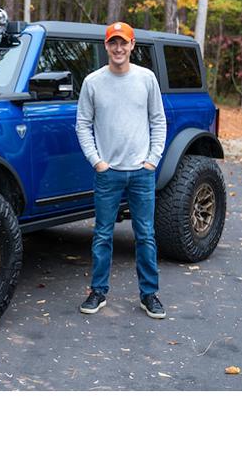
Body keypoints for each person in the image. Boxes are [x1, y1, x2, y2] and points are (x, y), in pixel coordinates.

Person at [74, 21, 168, 319]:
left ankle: (149, 294)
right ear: (106, 46)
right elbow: (82, 125)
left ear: (132, 45)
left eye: (123, 43)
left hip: (142, 171)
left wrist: (152, 159)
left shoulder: (146, 78)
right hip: (108, 173)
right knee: (102, 234)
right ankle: (98, 291)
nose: (118, 48)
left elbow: (158, 120)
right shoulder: (93, 82)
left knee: (146, 235)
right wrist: (97, 161)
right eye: (113, 43)